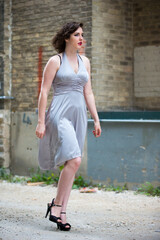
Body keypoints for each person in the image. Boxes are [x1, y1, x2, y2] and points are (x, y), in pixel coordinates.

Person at [35, 22, 101, 231]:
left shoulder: (86, 62)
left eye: (82, 34)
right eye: (76, 35)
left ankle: (61, 212)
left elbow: (88, 92)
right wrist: (40, 121)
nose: (81, 38)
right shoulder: (55, 61)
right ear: (66, 38)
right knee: (75, 158)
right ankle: (56, 204)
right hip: (59, 114)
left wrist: (96, 119)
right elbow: (44, 92)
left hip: (79, 115)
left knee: (71, 165)